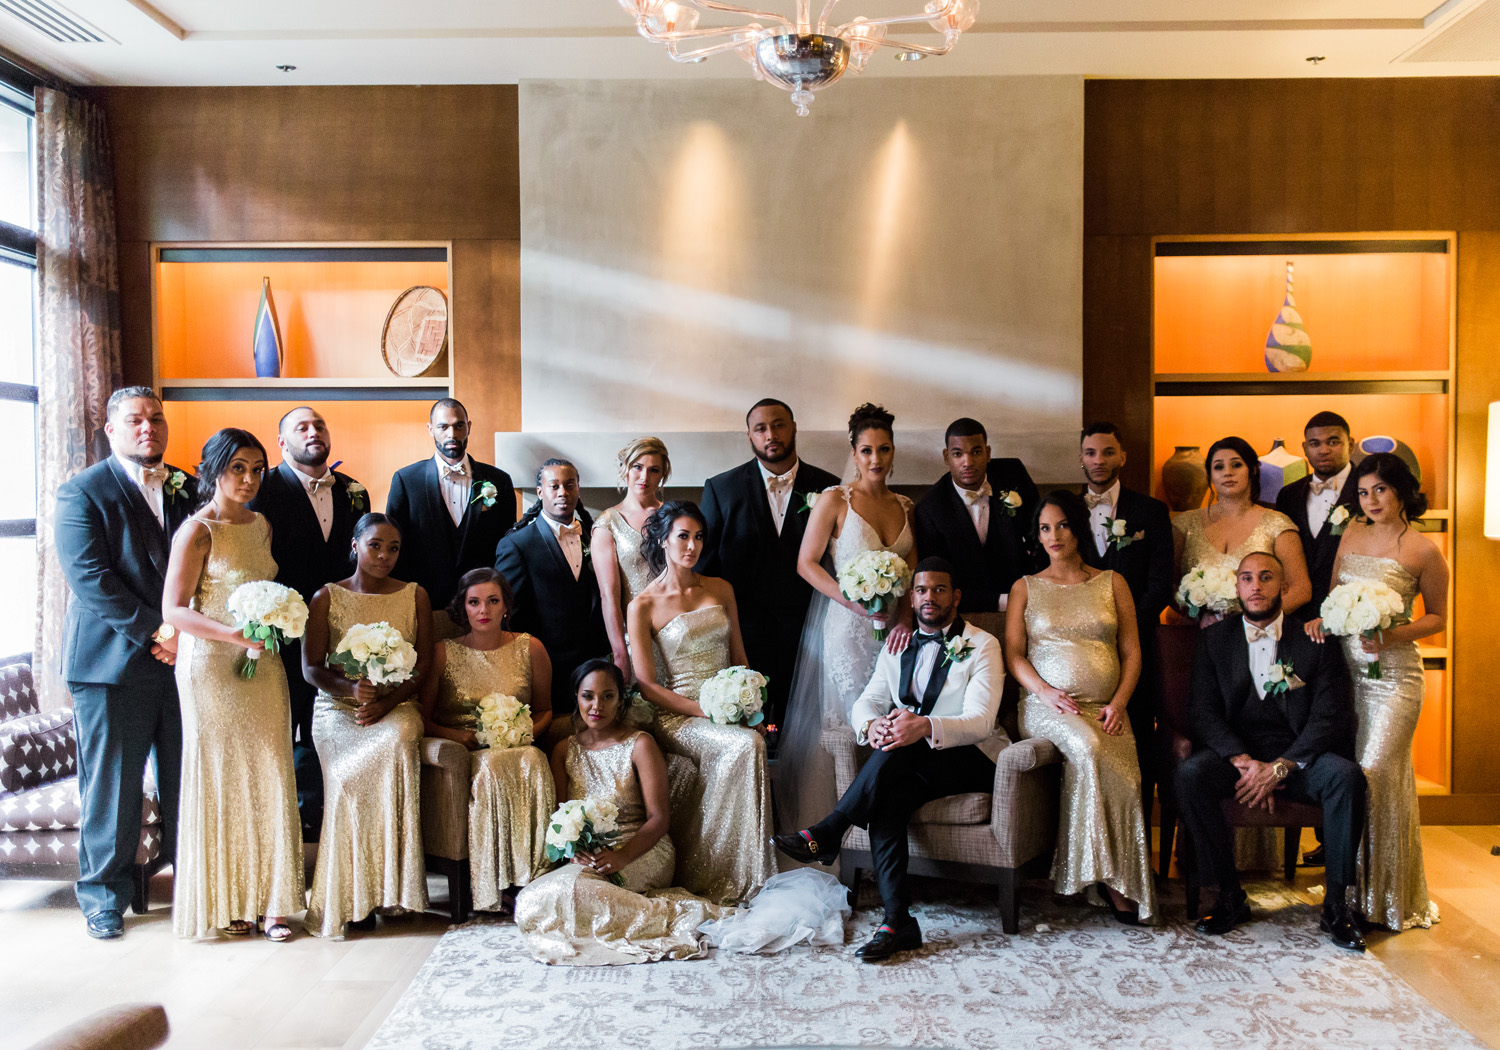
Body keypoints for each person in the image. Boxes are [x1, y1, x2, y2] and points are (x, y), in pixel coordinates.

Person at [773, 558, 1006, 962]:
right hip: (912, 758)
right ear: (911, 598)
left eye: (938, 589)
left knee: (904, 739)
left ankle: (831, 829)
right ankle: (898, 922)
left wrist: (923, 726)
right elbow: (867, 700)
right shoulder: (898, 645)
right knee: (886, 798)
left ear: (956, 596)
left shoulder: (983, 644)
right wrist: (873, 725)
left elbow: (982, 721)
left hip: (972, 758)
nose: (929, 597)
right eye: (921, 590)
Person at [54, 387, 195, 940]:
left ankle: (197, 884)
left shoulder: (188, 488)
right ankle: (102, 896)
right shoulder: (82, 493)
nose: (148, 428)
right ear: (110, 430)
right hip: (111, 666)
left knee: (188, 778)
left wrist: (187, 638)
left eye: (156, 418)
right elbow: (92, 580)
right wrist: (160, 632)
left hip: (184, 664)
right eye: (135, 420)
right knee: (113, 786)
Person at [1177, 552, 1366, 951]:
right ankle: (1230, 895)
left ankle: (1336, 906)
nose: (1256, 586)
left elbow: (1328, 716)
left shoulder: (1313, 640)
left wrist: (1282, 766)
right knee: (1191, 774)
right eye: (1247, 578)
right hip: (1238, 758)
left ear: (1282, 586)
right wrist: (1239, 759)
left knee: (1346, 777)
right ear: (1237, 588)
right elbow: (1202, 710)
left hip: (1298, 759)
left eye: (1265, 577)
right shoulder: (1214, 640)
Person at [161, 428, 303, 941]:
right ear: (215, 469)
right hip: (209, 667)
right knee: (221, 775)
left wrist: (273, 628)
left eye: (258, 469)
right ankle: (228, 901)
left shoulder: (262, 525)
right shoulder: (197, 531)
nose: (248, 479)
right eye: (238, 467)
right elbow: (172, 609)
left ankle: (273, 904)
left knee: (269, 770)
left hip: (262, 663)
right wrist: (232, 634)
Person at [1305, 452, 1447, 931]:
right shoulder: (1352, 532)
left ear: (1401, 490)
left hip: (1394, 679)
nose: (1371, 501)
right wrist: (1321, 621)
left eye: (1379, 490)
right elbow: (1330, 598)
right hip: (1344, 675)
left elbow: (1439, 618)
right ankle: (1351, 891)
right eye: (1363, 493)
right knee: (1353, 775)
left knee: (1377, 772)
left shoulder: (1425, 550)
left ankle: (1385, 894)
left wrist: (1392, 635)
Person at [1005, 490, 1156, 925]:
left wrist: (1121, 702)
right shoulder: (1026, 587)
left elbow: (1132, 651)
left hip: (1108, 706)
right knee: (1089, 748)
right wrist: (1045, 692)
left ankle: (1123, 876)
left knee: (1126, 769)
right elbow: (1014, 654)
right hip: (1046, 705)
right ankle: (1107, 883)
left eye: (1062, 525)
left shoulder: (1112, 581)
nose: (1053, 536)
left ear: (1078, 527)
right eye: (1045, 528)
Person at [515, 660, 725, 965]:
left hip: (642, 849)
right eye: (588, 696)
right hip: (590, 857)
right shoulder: (564, 750)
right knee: (530, 901)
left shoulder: (640, 744)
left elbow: (659, 819)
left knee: (575, 891)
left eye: (608, 696)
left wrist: (622, 856)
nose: (596, 705)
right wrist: (573, 852)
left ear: (621, 700)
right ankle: (615, 907)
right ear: (576, 697)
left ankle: (670, 914)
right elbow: (560, 819)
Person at [778, 403, 917, 835]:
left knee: (891, 722)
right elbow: (806, 564)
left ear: (894, 452)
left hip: (894, 634)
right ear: (854, 453)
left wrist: (906, 619)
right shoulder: (834, 500)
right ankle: (838, 833)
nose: (876, 459)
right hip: (847, 629)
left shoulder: (907, 505)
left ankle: (882, 831)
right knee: (850, 727)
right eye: (867, 450)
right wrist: (850, 601)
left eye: (884, 449)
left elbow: (914, 574)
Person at [629, 501, 774, 904]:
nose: (692, 546)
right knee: (747, 744)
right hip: (678, 713)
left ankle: (749, 872)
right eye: (683, 536)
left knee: (751, 739)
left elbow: (740, 658)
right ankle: (720, 878)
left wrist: (751, 705)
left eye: (698, 537)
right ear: (663, 539)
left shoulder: (720, 588)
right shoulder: (642, 605)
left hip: (729, 705)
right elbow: (646, 685)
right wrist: (704, 710)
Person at [302, 513, 433, 937]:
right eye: (375, 545)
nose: (384, 556)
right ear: (355, 545)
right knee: (346, 775)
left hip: (396, 706)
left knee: (397, 738)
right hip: (337, 709)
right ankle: (350, 897)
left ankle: (391, 893)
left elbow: (424, 663)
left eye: (393, 548)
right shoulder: (327, 597)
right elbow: (310, 668)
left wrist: (386, 702)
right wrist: (349, 689)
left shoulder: (415, 595)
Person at [246, 406, 365, 841]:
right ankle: (290, 828)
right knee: (287, 727)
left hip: (340, 634)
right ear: (282, 443)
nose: (313, 432)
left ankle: (334, 826)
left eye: (319, 425)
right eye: (302, 427)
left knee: (335, 725)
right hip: (281, 634)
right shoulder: (264, 489)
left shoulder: (355, 491)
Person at [699, 399, 840, 737]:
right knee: (747, 731)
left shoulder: (830, 488)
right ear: (749, 436)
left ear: (793, 428)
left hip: (810, 631)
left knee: (807, 733)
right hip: (744, 633)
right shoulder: (721, 489)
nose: (770, 434)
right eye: (760, 428)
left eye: (778, 425)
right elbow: (705, 567)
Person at [419, 567, 556, 913]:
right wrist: (459, 736)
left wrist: (523, 733)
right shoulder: (442, 652)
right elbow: (423, 716)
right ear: (462, 607)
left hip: (519, 745)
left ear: (506, 606)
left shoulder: (531, 647)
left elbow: (545, 710)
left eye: (493, 601)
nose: (484, 610)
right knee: (493, 768)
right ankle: (495, 885)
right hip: (471, 750)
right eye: (475, 602)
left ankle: (534, 879)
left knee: (534, 760)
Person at [1076, 422, 1175, 840]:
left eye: (1107, 452)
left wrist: (1123, 629)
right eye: (1091, 453)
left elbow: (1161, 583)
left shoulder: (1150, 511)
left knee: (1136, 741)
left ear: (1123, 456)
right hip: (1080, 653)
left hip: (1139, 649)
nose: (1099, 461)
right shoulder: (1064, 513)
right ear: (1081, 457)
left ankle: (1137, 841)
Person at [494, 459, 609, 744]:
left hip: (596, 666)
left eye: (569, 485)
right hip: (548, 672)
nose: (562, 492)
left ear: (578, 488)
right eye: (554, 485)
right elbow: (511, 616)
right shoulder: (517, 544)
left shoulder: (598, 537)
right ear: (540, 491)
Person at [386, 398, 516, 621]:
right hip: (425, 606)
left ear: (469, 427)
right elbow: (396, 546)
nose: (452, 434)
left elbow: (507, 547)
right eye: (443, 426)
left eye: (459, 426)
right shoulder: (406, 480)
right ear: (430, 429)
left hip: (482, 610)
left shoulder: (499, 480)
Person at [1174, 436, 1313, 622]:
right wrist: (1198, 616)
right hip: (1197, 635)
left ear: (1253, 470)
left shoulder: (1277, 524)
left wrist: (1253, 623)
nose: (1227, 473)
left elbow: (1301, 590)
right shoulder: (1184, 525)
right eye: (1218, 467)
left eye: (1236, 465)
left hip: (1261, 635)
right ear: (1209, 475)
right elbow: (1168, 585)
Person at [911, 418, 1029, 615]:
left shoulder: (1014, 478)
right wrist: (1003, 601)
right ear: (946, 457)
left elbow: (1037, 538)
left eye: (976, 452)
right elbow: (938, 581)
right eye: (958, 454)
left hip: (1023, 601)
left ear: (988, 453)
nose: (968, 462)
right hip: (963, 612)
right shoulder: (930, 510)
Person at [592, 437, 670, 681]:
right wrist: (620, 654)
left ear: (662, 475)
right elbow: (609, 597)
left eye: (653, 470)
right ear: (625, 468)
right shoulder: (607, 524)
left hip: (675, 630)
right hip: (635, 636)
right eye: (637, 467)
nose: (644, 477)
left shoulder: (673, 517)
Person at [1275, 411, 1359, 617]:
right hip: (1296, 616)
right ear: (1304, 448)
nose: (1323, 450)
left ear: (1351, 444)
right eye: (1315, 444)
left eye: (1333, 442)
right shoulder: (1288, 495)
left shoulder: (1368, 492)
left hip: (1352, 613)